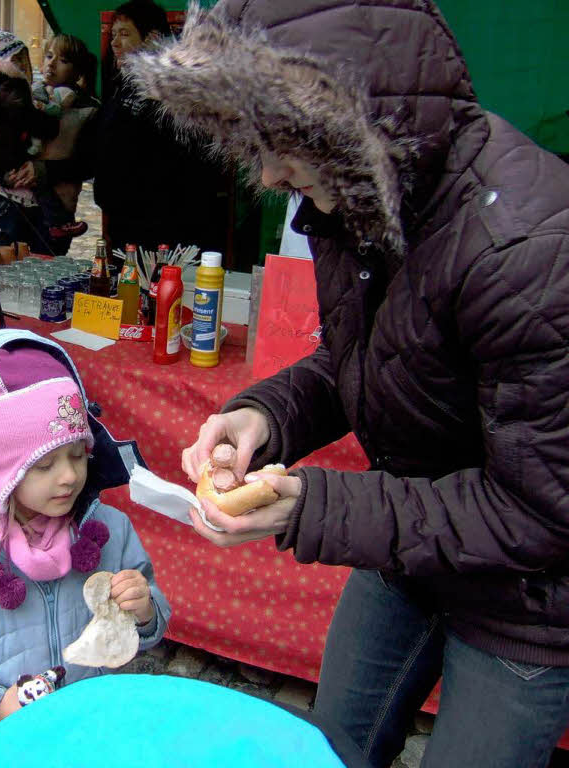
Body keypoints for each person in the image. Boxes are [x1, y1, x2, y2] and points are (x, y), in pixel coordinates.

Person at [127, 1, 569, 766]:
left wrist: (311, 504)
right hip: (408, 551)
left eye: (279, 143)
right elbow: (364, 358)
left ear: (344, 114)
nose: (267, 175)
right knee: (324, 749)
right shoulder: (358, 195)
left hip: (528, 600)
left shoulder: (524, 247)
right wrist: (264, 416)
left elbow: (539, 510)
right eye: (251, 144)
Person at [0, 331, 171, 758]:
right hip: (4, 745)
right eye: (44, 464)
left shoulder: (111, 532)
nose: (68, 476)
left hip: (89, 732)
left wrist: (146, 610)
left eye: (78, 455)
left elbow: (149, 613)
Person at [92, 0, 231, 257]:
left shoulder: (173, 88)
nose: (114, 43)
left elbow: (185, 161)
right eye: (113, 35)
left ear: (152, 38)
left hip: (162, 229)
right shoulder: (123, 85)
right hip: (125, 224)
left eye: (124, 34)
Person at [0, 30, 58, 255]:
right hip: (15, 201)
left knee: (1, 266)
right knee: (16, 266)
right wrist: (53, 121)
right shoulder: (11, 91)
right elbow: (38, 124)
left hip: (2, 195)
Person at [30, 34, 100, 248]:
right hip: (10, 202)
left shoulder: (86, 107)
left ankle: (61, 223)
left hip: (57, 201)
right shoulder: (34, 91)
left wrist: (41, 169)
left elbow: (87, 163)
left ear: (78, 71)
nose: (51, 64)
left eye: (63, 60)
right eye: (49, 56)